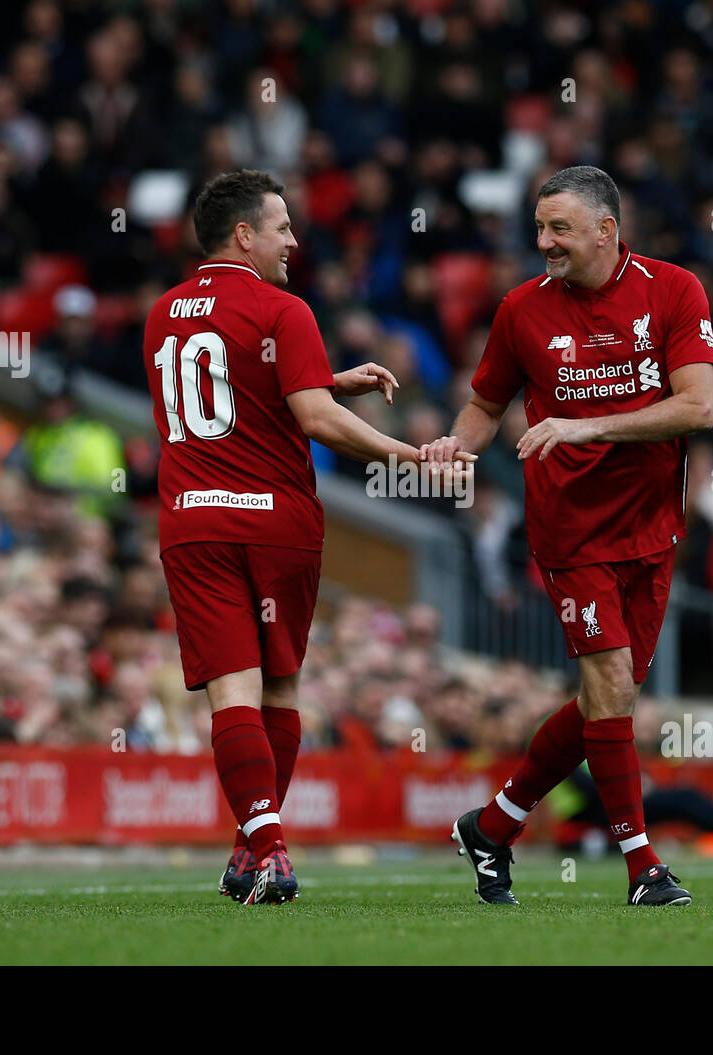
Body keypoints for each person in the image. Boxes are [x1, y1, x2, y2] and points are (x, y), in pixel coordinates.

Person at [144, 169, 471, 905]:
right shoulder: (282, 308)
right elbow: (312, 421)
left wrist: (323, 378)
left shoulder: (162, 313)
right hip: (275, 521)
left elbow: (234, 386)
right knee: (281, 686)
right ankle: (270, 850)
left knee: (231, 693)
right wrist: (414, 456)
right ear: (245, 234)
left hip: (194, 520)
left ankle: (255, 849)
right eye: (283, 226)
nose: (295, 239)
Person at [423, 165, 713, 906]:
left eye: (558, 228)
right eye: (539, 227)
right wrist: (454, 446)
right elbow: (485, 404)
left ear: (606, 231)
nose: (542, 241)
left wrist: (584, 424)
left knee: (603, 702)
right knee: (612, 687)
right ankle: (643, 867)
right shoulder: (521, 309)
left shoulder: (675, 290)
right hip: (570, 531)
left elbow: (698, 407)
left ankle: (491, 826)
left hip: (653, 529)